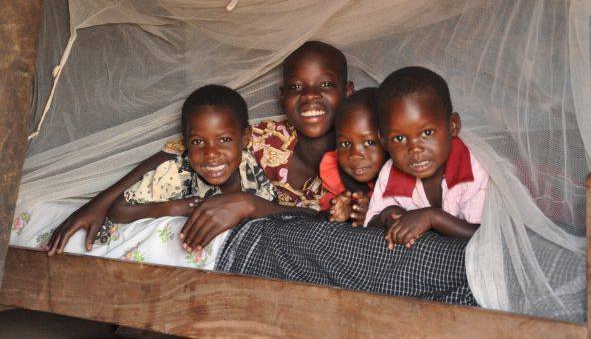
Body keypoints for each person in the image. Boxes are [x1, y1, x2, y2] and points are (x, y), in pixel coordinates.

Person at [48, 40, 354, 255]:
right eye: (297, 87)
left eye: (326, 85)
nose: (310, 97)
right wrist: (100, 202)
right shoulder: (263, 137)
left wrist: (249, 204)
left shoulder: (360, 154)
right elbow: (173, 152)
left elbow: (328, 222)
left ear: (348, 92)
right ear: (281, 94)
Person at [106, 85, 278, 256]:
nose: (211, 154)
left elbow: (276, 212)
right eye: (197, 142)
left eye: (224, 139)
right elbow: (118, 210)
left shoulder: (258, 166)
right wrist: (173, 209)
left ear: (245, 138)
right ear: (186, 142)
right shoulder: (177, 173)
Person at [365, 66, 489, 250]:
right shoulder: (390, 172)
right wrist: (388, 216)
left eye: (427, 132)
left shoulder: (474, 168)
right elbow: (369, 226)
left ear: (453, 126)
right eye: (399, 138)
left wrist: (432, 217)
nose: (415, 149)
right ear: (383, 141)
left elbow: (487, 235)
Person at [319, 88, 386, 226]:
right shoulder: (336, 171)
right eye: (345, 144)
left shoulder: (403, 176)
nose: (355, 155)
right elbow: (328, 210)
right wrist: (341, 212)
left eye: (369, 142)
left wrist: (374, 216)